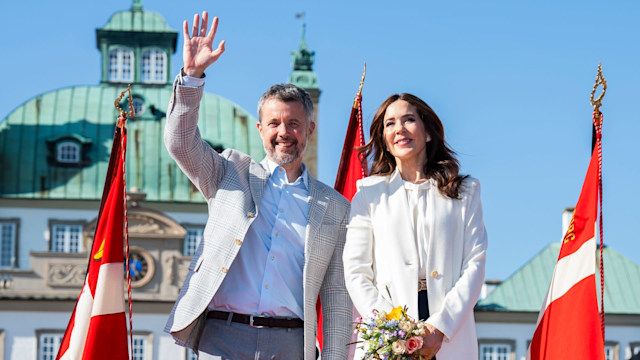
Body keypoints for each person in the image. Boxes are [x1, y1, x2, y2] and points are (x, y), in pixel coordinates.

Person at [163, 11, 352, 360]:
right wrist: (191, 77)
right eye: (274, 123)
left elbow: (338, 298)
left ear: (310, 130)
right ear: (260, 129)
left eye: (294, 124)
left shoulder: (335, 207)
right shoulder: (231, 173)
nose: (284, 133)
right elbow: (181, 145)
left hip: (291, 344)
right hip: (223, 336)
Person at [342, 93, 488, 360]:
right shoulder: (368, 195)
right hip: (388, 340)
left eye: (409, 120)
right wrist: (394, 327)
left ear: (428, 132)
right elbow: (356, 272)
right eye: (390, 124)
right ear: (384, 139)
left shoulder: (466, 192)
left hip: (449, 339)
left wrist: (439, 328)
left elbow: (475, 265)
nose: (399, 129)